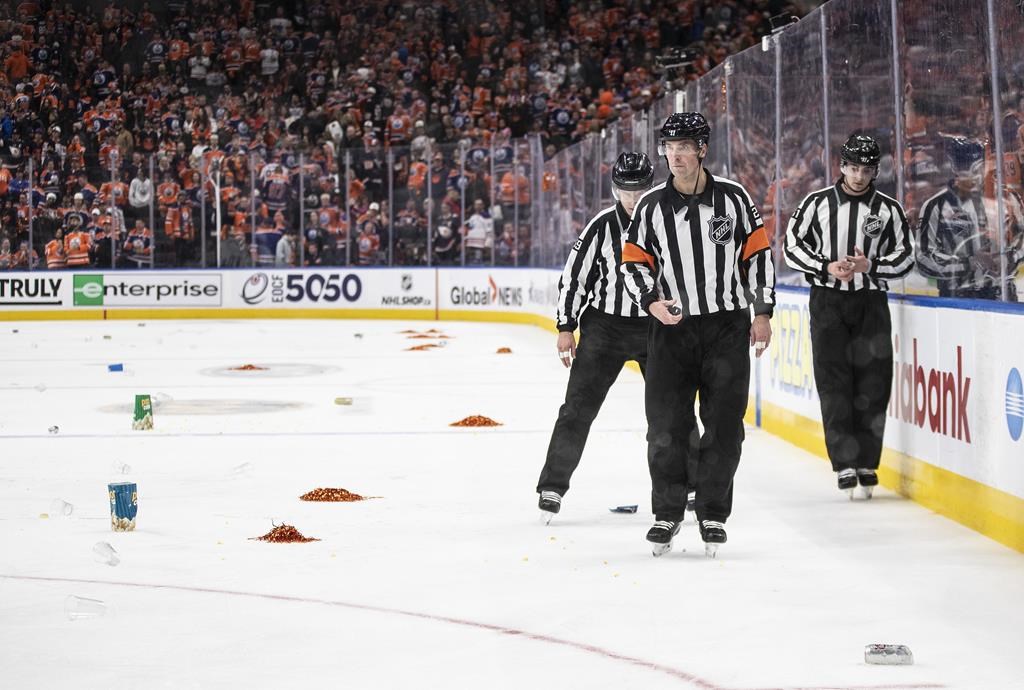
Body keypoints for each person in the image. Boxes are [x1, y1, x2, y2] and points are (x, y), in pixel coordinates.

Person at [620, 113, 776, 557]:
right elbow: (632, 263)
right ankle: (667, 512)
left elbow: (759, 257)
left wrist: (762, 312)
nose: (675, 155)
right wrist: (650, 301)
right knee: (665, 427)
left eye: (684, 146)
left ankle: (711, 511)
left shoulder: (735, 198)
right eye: (668, 147)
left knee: (725, 426)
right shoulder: (650, 205)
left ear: (703, 149)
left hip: (726, 327)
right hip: (671, 328)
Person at [784, 133, 914, 498]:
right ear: (841, 166)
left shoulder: (888, 209)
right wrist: (826, 266)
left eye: (866, 170)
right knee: (834, 382)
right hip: (828, 303)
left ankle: (867, 462)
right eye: (853, 168)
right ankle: (843, 463)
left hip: (871, 302)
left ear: (876, 171)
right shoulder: (816, 203)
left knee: (873, 383)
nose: (858, 176)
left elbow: (906, 256)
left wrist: (870, 264)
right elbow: (791, 246)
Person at [536, 151, 656, 523]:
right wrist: (565, 326)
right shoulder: (601, 226)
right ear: (615, 189)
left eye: (641, 189)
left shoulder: (667, 221)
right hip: (605, 328)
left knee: (672, 411)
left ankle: (687, 485)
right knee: (577, 408)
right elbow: (575, 278)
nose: (634, 197)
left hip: (655, 327)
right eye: (626, 189)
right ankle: (553, 485)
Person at [917, 136, 1024, 301]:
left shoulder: (1008, 198)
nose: (969, 173)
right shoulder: (935, 206)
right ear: (953, 167)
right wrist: (970, 263)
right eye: (963, 166)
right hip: (956, 300)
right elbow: (923, 259)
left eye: (976, 166)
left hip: (1002, 295)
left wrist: (1010, 257)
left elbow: (1022, 240)